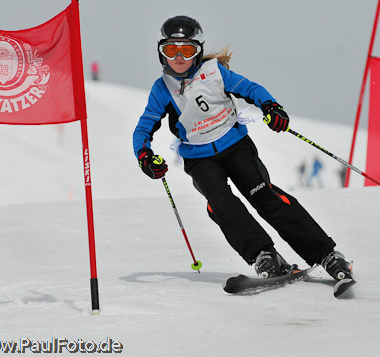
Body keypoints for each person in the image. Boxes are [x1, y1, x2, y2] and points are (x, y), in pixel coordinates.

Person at [132, 15, 352, 281]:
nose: (178, 56)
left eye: (186, 50)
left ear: (198, 51)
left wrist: (271, 107)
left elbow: (250, 88)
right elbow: (144, 128)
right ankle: (264, 255)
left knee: (264, 197)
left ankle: (325, 254)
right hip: (200, 159)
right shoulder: (162, 89)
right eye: (171, 50)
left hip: (236, 146)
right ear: (161, 52)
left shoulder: (214, 73)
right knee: (220, 204)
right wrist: (145, 156)